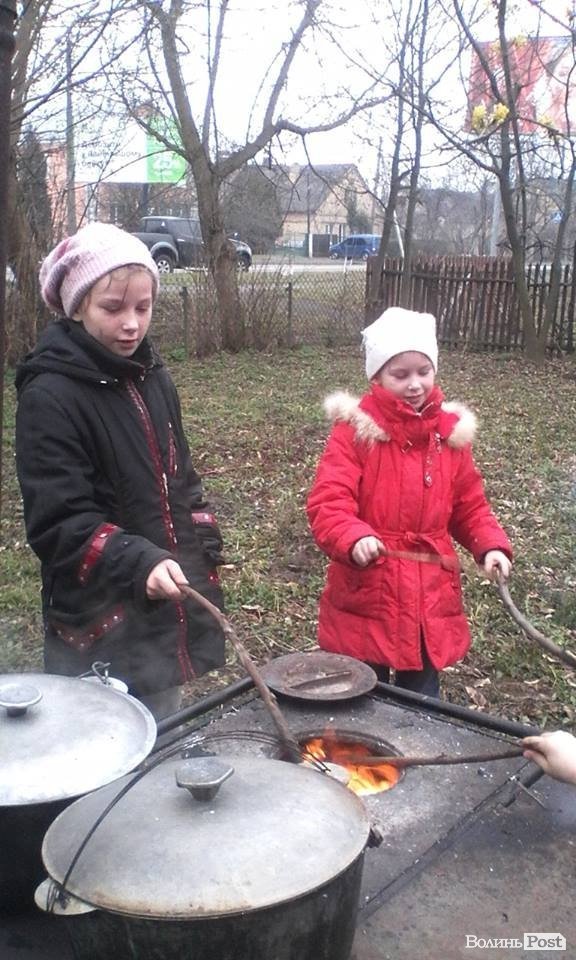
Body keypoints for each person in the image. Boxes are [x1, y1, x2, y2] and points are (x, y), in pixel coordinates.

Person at [15, 222, 226, 721]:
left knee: (160, 724)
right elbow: (59, 524)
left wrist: (202, 531)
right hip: (98, 625)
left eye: (143, 308)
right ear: (77, 306)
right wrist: (138, 562)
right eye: (113, 309)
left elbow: (181, 474)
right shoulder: (50, 396)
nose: (131, 324)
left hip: (157, 613)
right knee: (104, 748)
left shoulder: (152, 377)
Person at [306, 307, 512, 699]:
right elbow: (328, 500)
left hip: (428, 597)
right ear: (376, 377)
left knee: (422, 701)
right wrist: (352, 536)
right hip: (369, 590)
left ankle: (417, 755)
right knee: (365, 696)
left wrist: (490, 545)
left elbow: (470, 504)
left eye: (424, 371)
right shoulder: (356, 433)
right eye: (399, 375)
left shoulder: (448, 438)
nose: (414, 384)